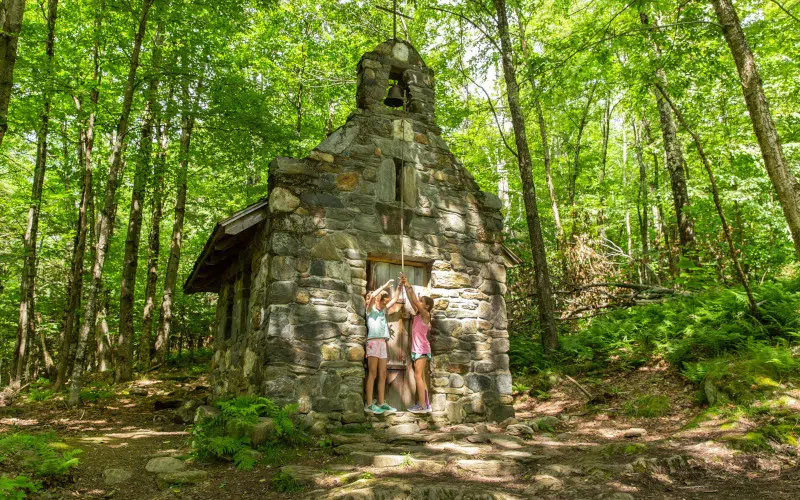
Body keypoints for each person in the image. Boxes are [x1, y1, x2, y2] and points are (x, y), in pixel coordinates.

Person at [364, 279, 401, 415]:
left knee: (383, 374)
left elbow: (396, 298)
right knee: (372, 373)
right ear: (380, 300)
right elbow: (373, 296)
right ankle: (369, 404)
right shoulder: (370, 310)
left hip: (382, 343)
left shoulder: (383, 310)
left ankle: (380, 402)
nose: (387, 303)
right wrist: (384, 286)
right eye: (385, 301)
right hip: (373, 342)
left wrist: (401, 285)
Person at [400, 273, 434, 414]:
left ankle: (422, 405)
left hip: (422, 349)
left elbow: (413, 301)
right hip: (417, 349)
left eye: (421, 301)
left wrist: (408, 285)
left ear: (426, 306)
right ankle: (425, 404)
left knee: (418, 377)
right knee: (420, 377)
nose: (418, 302)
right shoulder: (419, 315)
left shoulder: (426, 315)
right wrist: (406, 288)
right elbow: (411, 299)